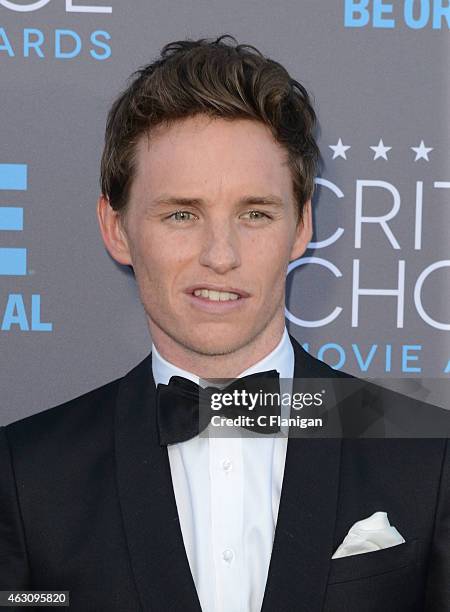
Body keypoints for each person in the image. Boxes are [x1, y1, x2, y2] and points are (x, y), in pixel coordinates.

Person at [0, 36, 448, 612]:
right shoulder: (26, 477)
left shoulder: (430, 456)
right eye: (182, 214)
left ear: (302, 226)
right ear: (117, 229)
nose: (221, 254)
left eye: (254, 214)